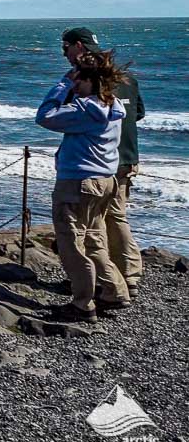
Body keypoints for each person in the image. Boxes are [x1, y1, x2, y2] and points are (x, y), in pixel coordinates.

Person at [35, 45, 131, 322]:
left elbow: (44, 117)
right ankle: (115, 291)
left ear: (90, 80)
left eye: (77, 78)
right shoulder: (112, 106)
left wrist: (61, 85)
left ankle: (82, 303)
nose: (74, 84)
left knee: (71, 243)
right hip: (105, 180)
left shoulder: (87, 110)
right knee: (93, 239)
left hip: (79, 182)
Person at [61, 27, 147, 298]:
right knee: (114, 215)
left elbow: (60, 113)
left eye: (65, 47)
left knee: (95, 222)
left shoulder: (86, 78)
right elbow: (139, 113)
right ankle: (125, 274)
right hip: (127, 156)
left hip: (100, 162)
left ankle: (111, 280)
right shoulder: (127, 78)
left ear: (78, 46)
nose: (64, 54)